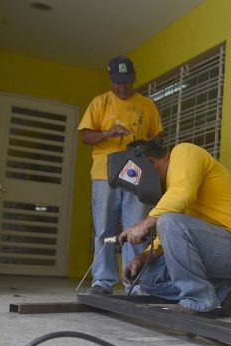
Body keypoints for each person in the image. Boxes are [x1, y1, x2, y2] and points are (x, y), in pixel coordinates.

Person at [118, 139, 231, 316]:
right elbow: (170, 237)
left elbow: (180, 198)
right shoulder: (173, 190)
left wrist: (144, 224)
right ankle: (224, 289)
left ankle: (199, 299)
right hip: (212, 250)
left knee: (169, 221)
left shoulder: (184, 152)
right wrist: (141, 258)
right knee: (147, 277)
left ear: (150, 162)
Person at [78, 55, 163, 295]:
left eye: (126, 82)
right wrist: (107, 134)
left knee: (136, 228)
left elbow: (158, 137)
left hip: (136, 171)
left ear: (133, 78)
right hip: (105, 172)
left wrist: (145, 145)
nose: (122, 87)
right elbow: (84, 136)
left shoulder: (147, 105)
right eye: (117, 82)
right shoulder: (100, 103)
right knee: (104, 228)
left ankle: (134, 283)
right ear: (110, 80)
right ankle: (103, 282)